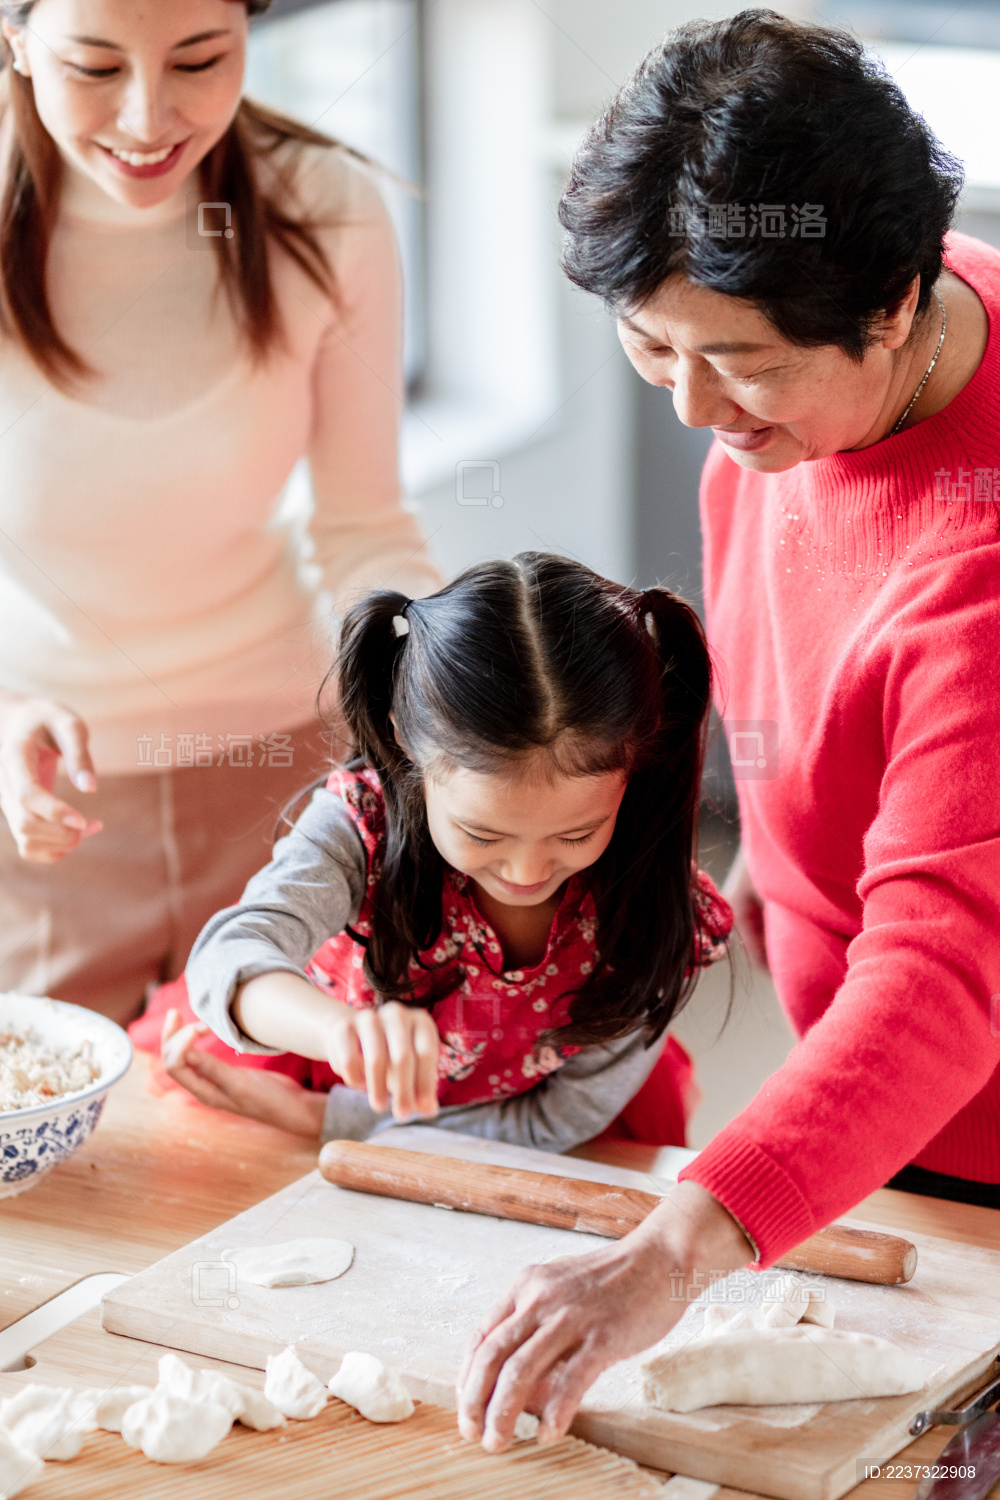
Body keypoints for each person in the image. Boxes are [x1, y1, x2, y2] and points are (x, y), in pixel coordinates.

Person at [454, 8, 1000, 1452]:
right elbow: (795, 633)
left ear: (893, 306)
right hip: (871, 1094)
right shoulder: (837, 350)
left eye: (743, 364)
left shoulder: (985, 556)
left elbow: (947, 970)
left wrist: (671, 1255)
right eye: (650, 347)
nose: (698, 407)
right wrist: (774, 845)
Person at [0, 0, 438, 1023]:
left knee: (282, 1132)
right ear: (12, 36)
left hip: (283, 773)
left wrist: (441, 692)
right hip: (47, 798)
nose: (149, 118)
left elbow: (363, 524)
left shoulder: (322, 207)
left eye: (200, 58)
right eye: (94, 66)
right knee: (57, 1160)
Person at [155, 553, 730, 1155]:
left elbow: (553, 1123)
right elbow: (231, 954)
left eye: (575, 836)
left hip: (493, 1140)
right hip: (311, 1068)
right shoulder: (362, 828)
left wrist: (321, 1120)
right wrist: (338, 1032)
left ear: (634, 770)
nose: (526, 873)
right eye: (483, 836)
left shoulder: (650, 909)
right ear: (404, 737)